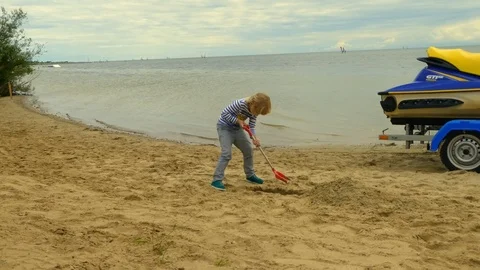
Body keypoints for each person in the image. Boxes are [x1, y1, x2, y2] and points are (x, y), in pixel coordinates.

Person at [211, 92, 272, 191]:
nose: (255, 114)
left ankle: (250, 175)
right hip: (224, 127)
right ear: (253, 104)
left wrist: (255, 138)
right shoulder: (239, 104)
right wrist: (237, 121)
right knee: (226, 154)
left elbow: (251, 126)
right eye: (256, 112)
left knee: (248, 150)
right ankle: (216, 180)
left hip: (237, 130)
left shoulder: (254, 111)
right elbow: (224, 113)